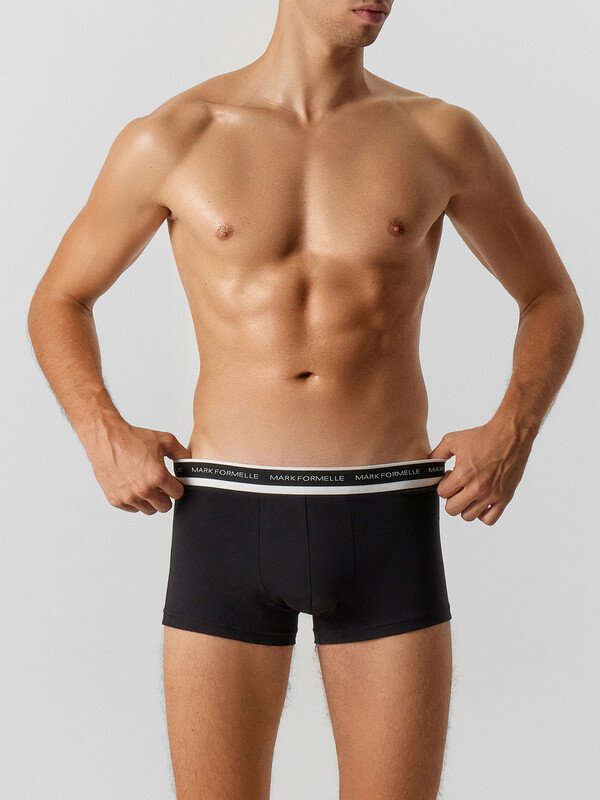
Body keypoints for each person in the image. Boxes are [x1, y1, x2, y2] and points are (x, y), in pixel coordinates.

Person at [27, 1, 584, 798]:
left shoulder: (439, 136)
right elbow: (60, 298)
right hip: (224, 518)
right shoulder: (176, 136)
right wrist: (100, 430)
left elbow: (550, 297)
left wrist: (515, 428)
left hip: (386, 517)